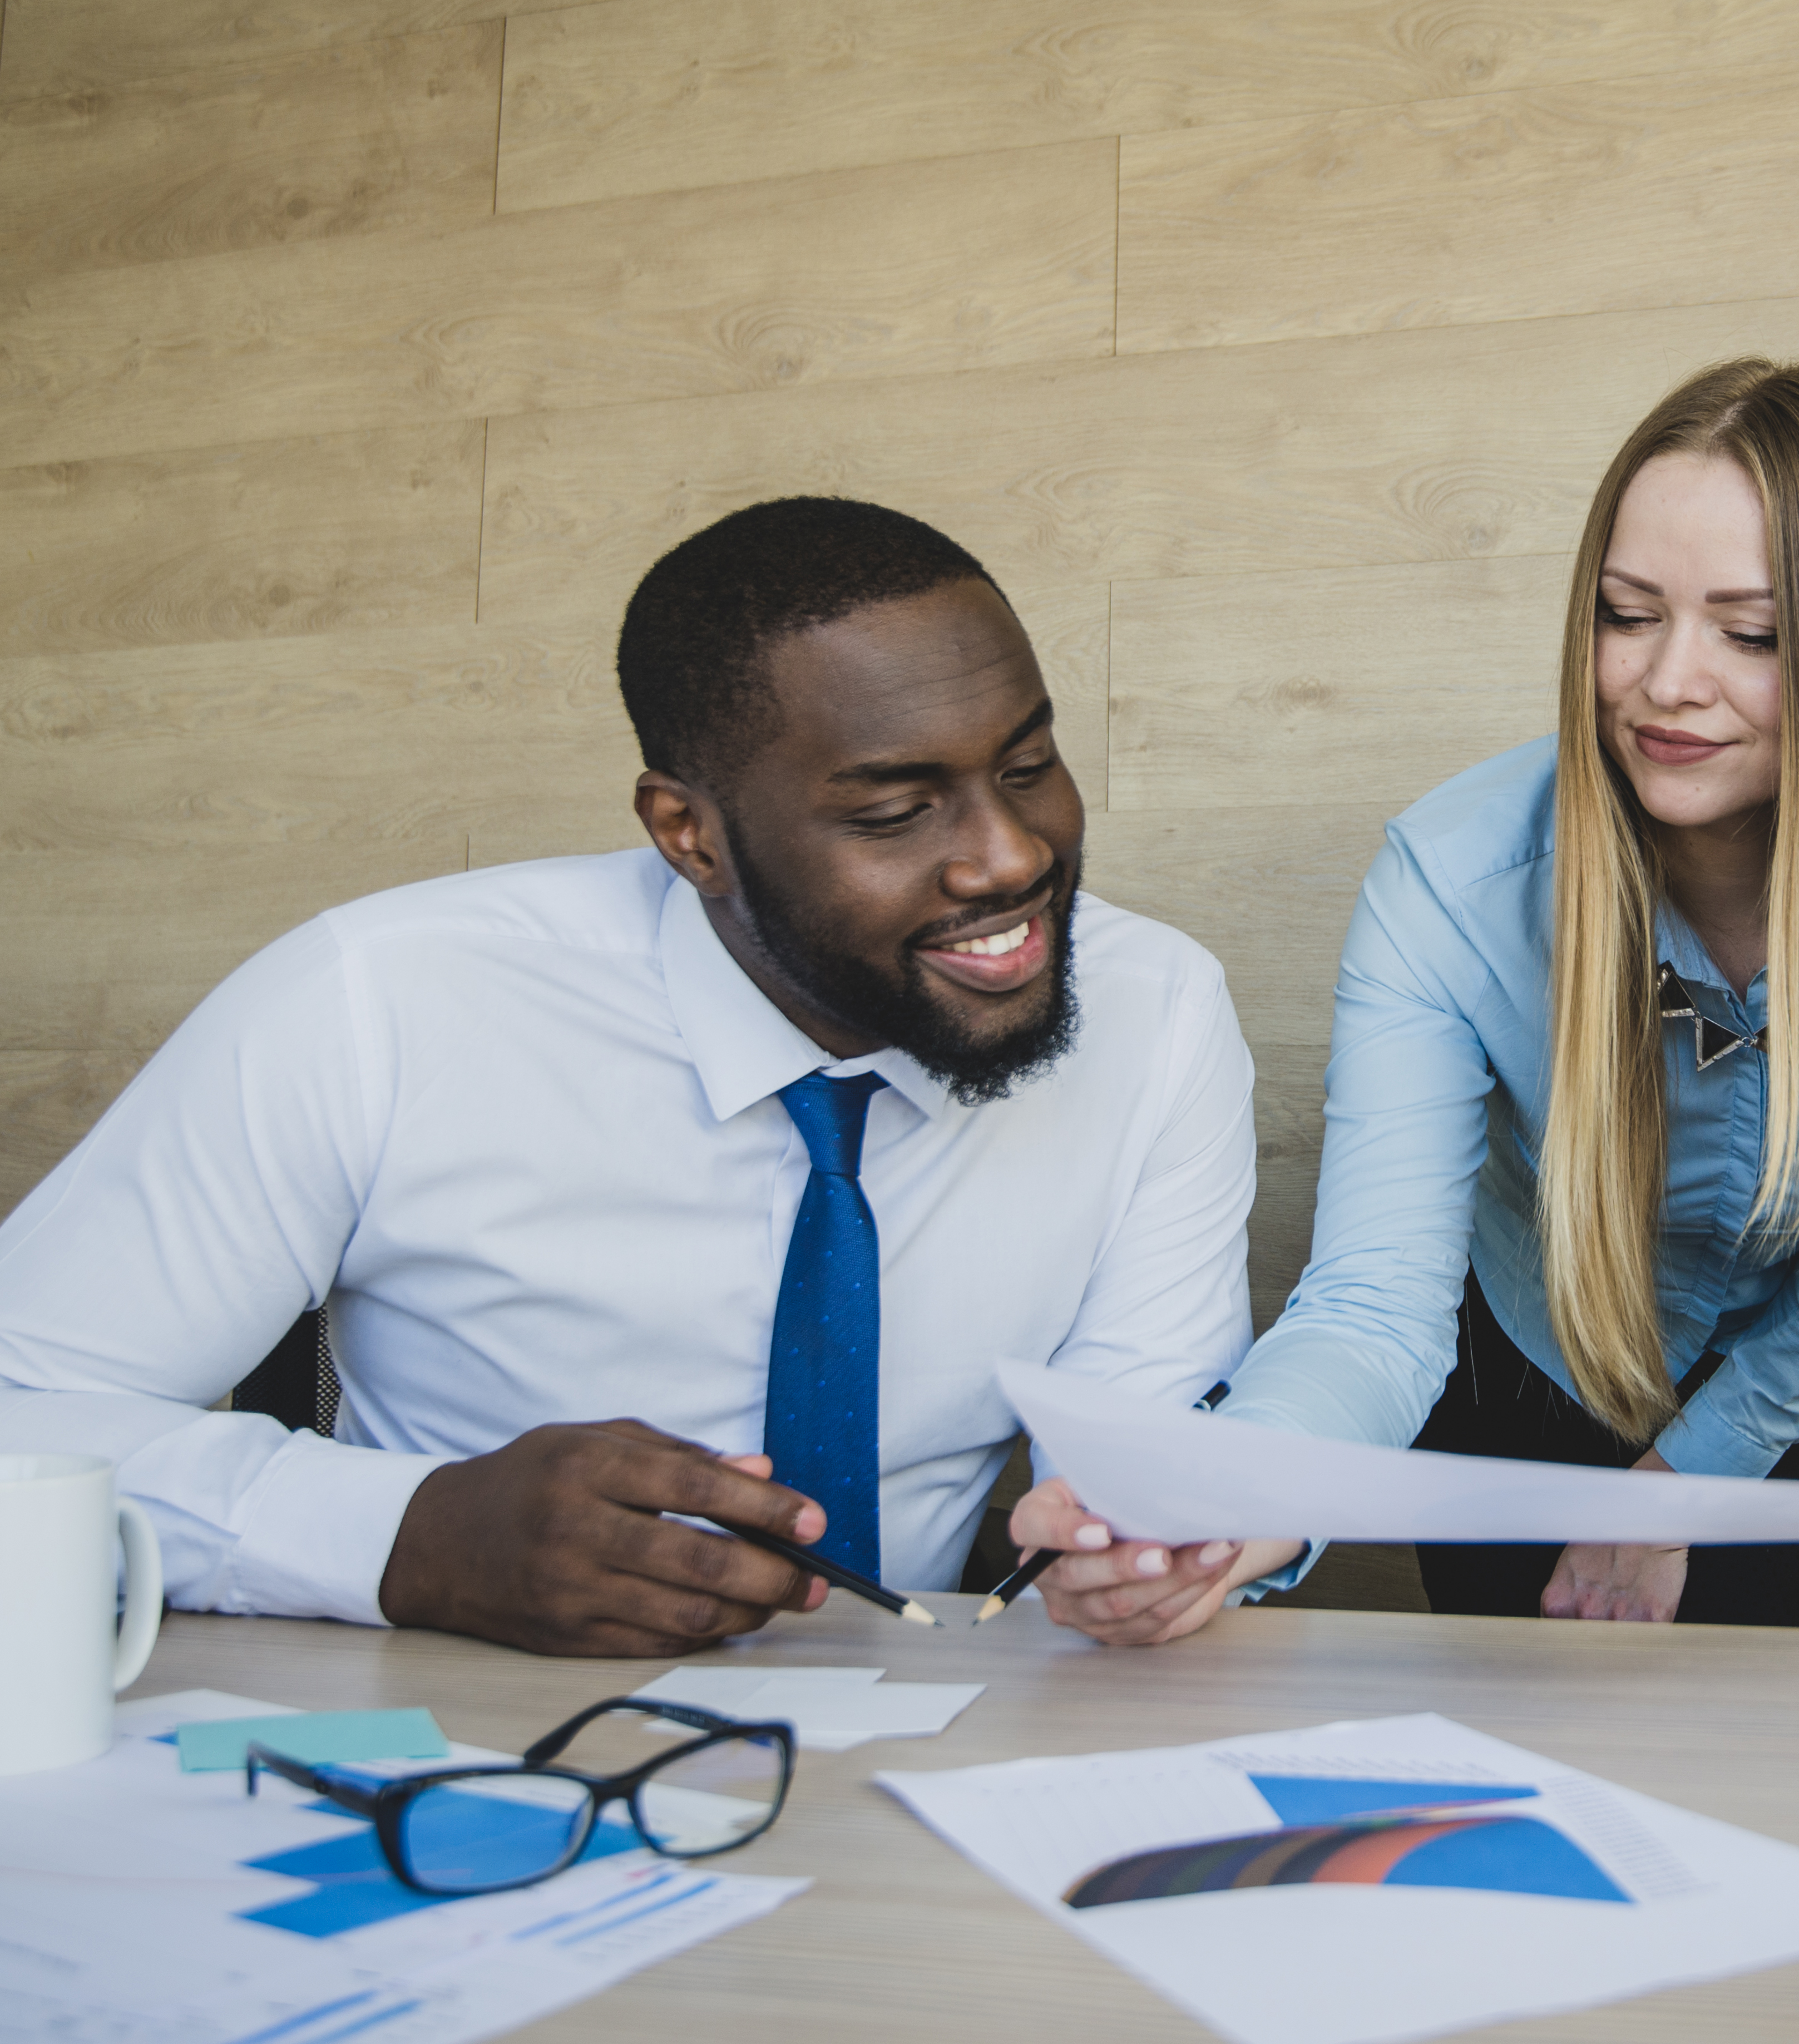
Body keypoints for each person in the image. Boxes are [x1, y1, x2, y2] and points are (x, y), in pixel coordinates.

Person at [0, 497, 1257, 1657]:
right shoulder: (378, 999)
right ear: (688, 834)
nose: (1008, 857)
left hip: (913, 1740)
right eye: (893, 813)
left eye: (1027, 766)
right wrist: (410, 1536)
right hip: (448, 1727)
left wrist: (1139, 1545)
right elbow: (24, 1414)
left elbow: (1137, 1455)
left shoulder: (1155, 1014)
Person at [1021, 358, 1799, 1643]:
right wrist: (1220, 1503)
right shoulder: (1450, 878)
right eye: (1628, 615)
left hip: (1791, 1379)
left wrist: (1690, 1478)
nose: (1665, 682)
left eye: (1753, 635)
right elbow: (1374, 1300)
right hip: (1517, 1374)